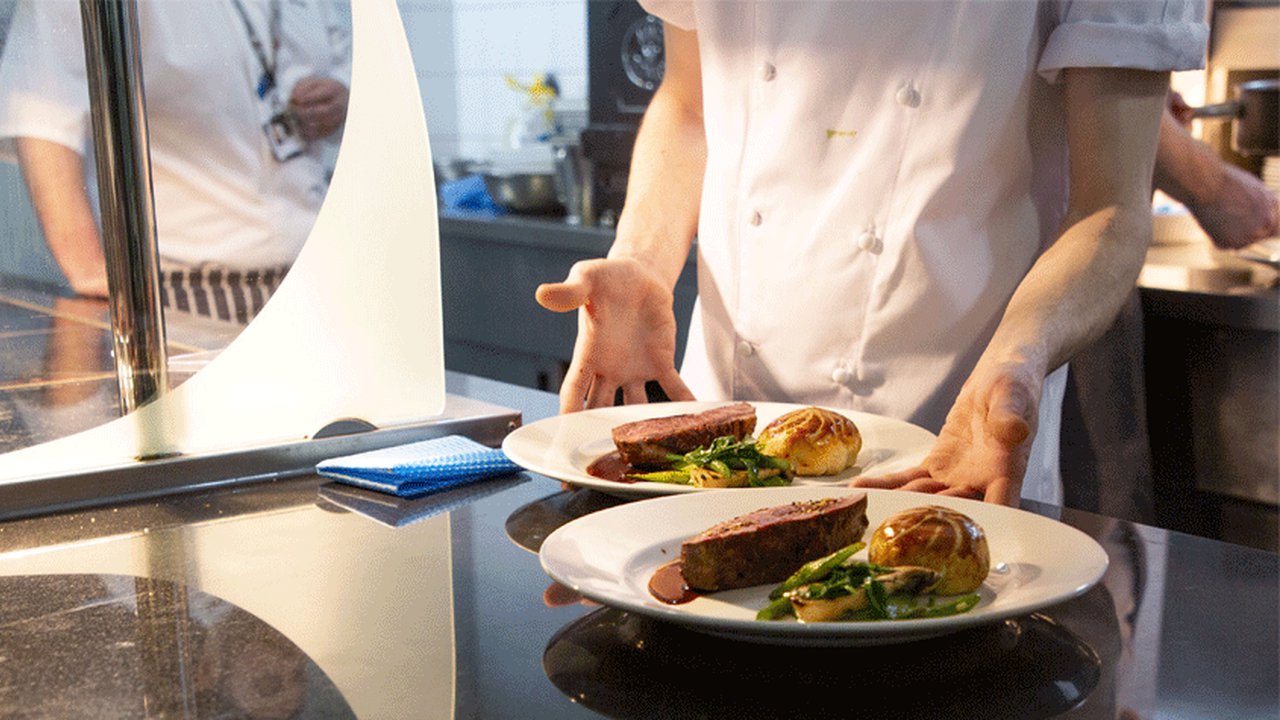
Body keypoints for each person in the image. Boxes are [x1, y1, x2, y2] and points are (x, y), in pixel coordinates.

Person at [536, 1, 1208, 507]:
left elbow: (1111, 207)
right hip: (715, 442)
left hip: (945, 447)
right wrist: (643, 260)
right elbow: (688, 103)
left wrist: (1020, 359)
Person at [0, 0, 350, 324]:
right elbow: (42, 116)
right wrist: (88, 267)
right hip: (187, 289)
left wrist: (341, 100)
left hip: (313, 270)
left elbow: (346, 63)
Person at [1060, 92, 1279, 523]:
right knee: (1094, 514)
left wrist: (1154, 104)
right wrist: (1213, 185)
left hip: (1059, 260)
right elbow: (1114, 76)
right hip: (1069, 263)